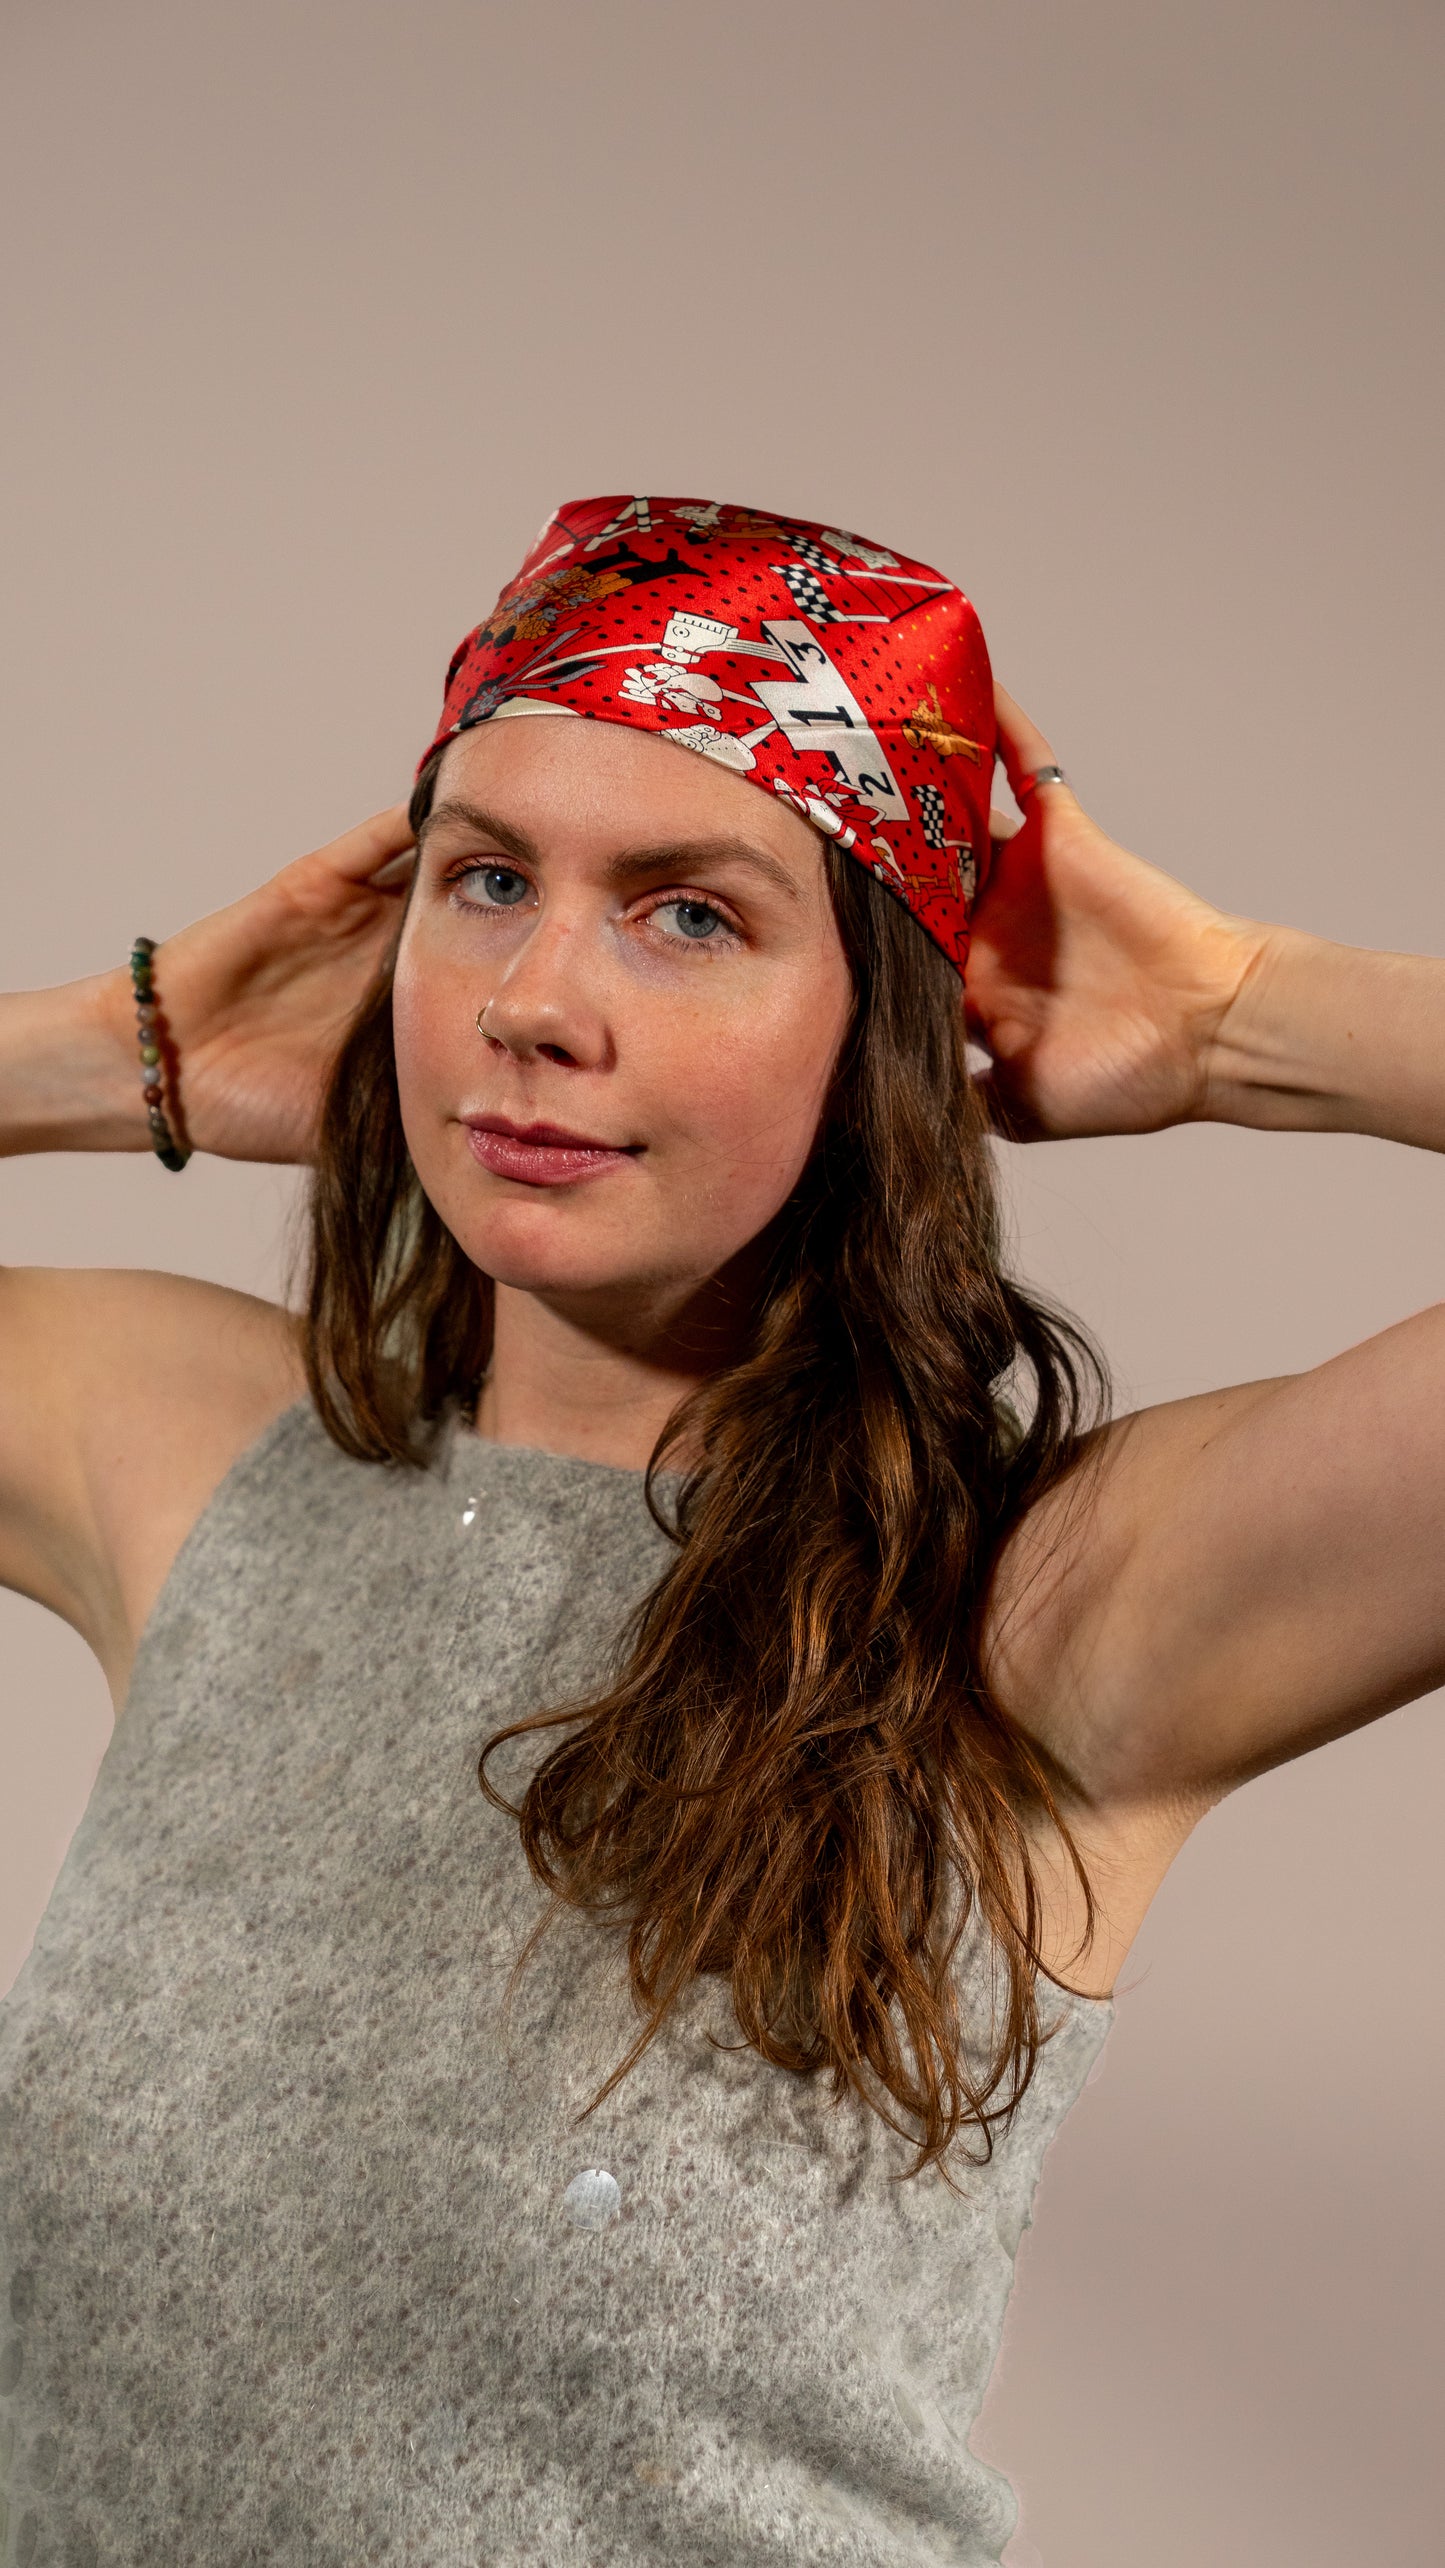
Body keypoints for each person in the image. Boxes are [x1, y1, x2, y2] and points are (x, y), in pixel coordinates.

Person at [1, 492, 1440, 2564]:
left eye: (689, 914)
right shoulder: (184, 1453)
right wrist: (113, 1048)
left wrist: (1233, 1015)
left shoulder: (1049, 1607)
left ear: (883, 1023)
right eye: (486, 881)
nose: (535, 998)